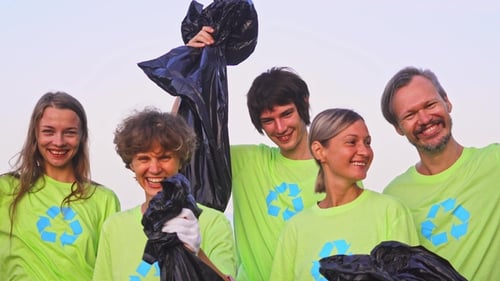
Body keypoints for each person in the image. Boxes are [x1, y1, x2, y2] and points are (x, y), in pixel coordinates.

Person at [187, 28, 323, 281]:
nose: (280, 128)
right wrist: (191, 67)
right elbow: (182, 143)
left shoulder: (335, 167)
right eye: (268, 120)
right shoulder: (248, 162)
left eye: (286, 114)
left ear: (304, 103)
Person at [268, 108, 419, 281]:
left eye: (367, 142)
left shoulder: (391, 212)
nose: (364, 151)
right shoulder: (295, 229)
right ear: (319, 151)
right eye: (352, 142)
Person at [380, 66, 500, 280]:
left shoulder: (495, 162)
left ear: (447, 102)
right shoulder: (393, 197)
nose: (425, 119)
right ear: (398, 128)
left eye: (430, 104)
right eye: (410, 114)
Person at [92, 107, 236, 281]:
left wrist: (197, 253)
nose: (154, 169)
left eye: (164, 157)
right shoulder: (114, 227)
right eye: (144, 159)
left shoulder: (213, 222)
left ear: (181, 161)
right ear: (131, 164)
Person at [0, 92, 121, 280]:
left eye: (70, 132)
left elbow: (113, 269)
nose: (58, 142)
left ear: (82, 137)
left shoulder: (104, 199)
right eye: (48, 131)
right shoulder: (7, 189)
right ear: (35, 134)